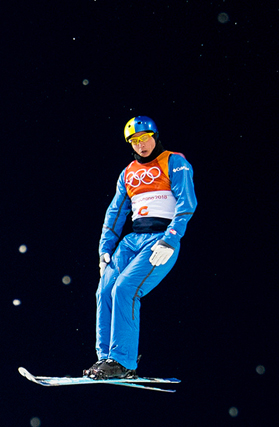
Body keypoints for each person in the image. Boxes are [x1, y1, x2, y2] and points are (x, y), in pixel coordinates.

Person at [84, 115, 197, 379]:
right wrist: (104, 250)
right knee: (105, 290)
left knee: (125, 288)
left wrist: (171, 238)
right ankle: (106, 359)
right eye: (134, 141)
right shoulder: (128, 173)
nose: (141, 145)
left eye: (145, 138)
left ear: (155, 137)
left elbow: (186, 202)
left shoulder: (174, 162)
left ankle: (123, 362)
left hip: (159, 240)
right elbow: (115, 212)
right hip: (132, 240)